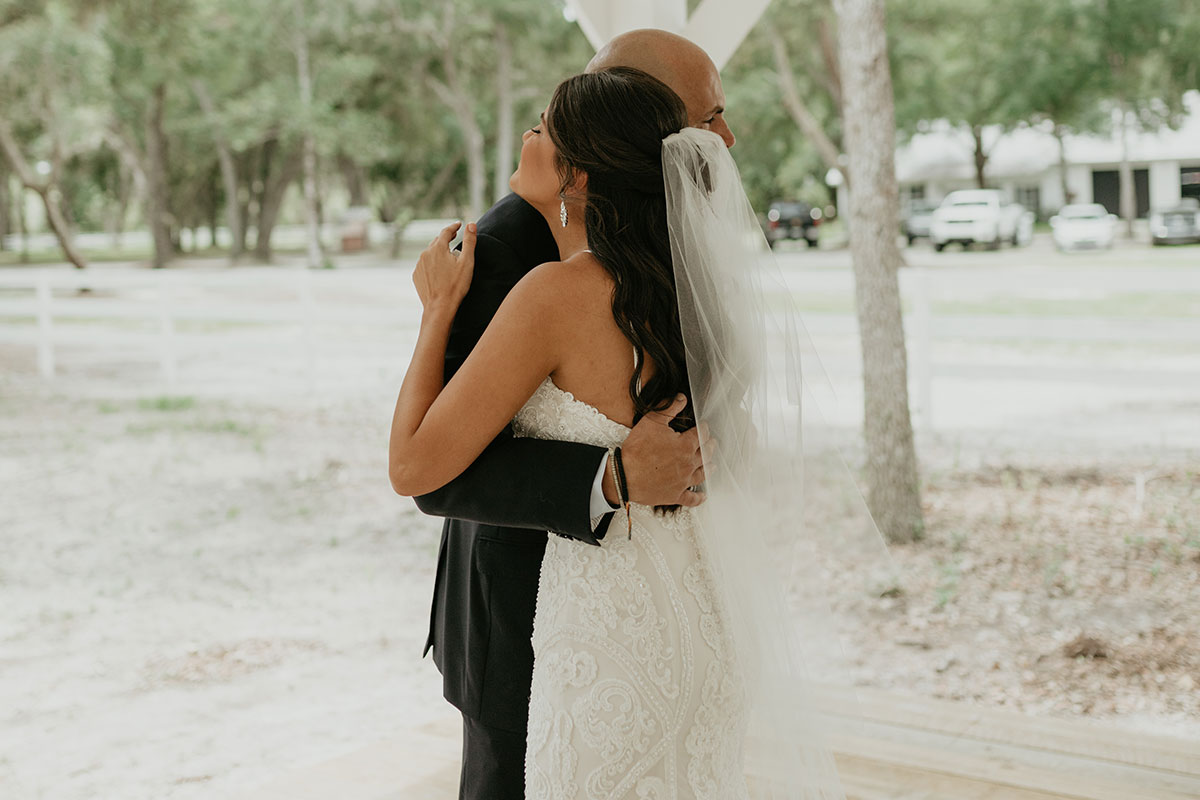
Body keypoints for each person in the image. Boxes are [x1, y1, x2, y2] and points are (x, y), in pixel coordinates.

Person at [410, 29, 737, 800]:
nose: (725, 139)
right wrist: (610, 476)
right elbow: (439, 477)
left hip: (663, 598)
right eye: (710, 115)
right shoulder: (499, 251)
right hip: (525, 618)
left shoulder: (694, 250)